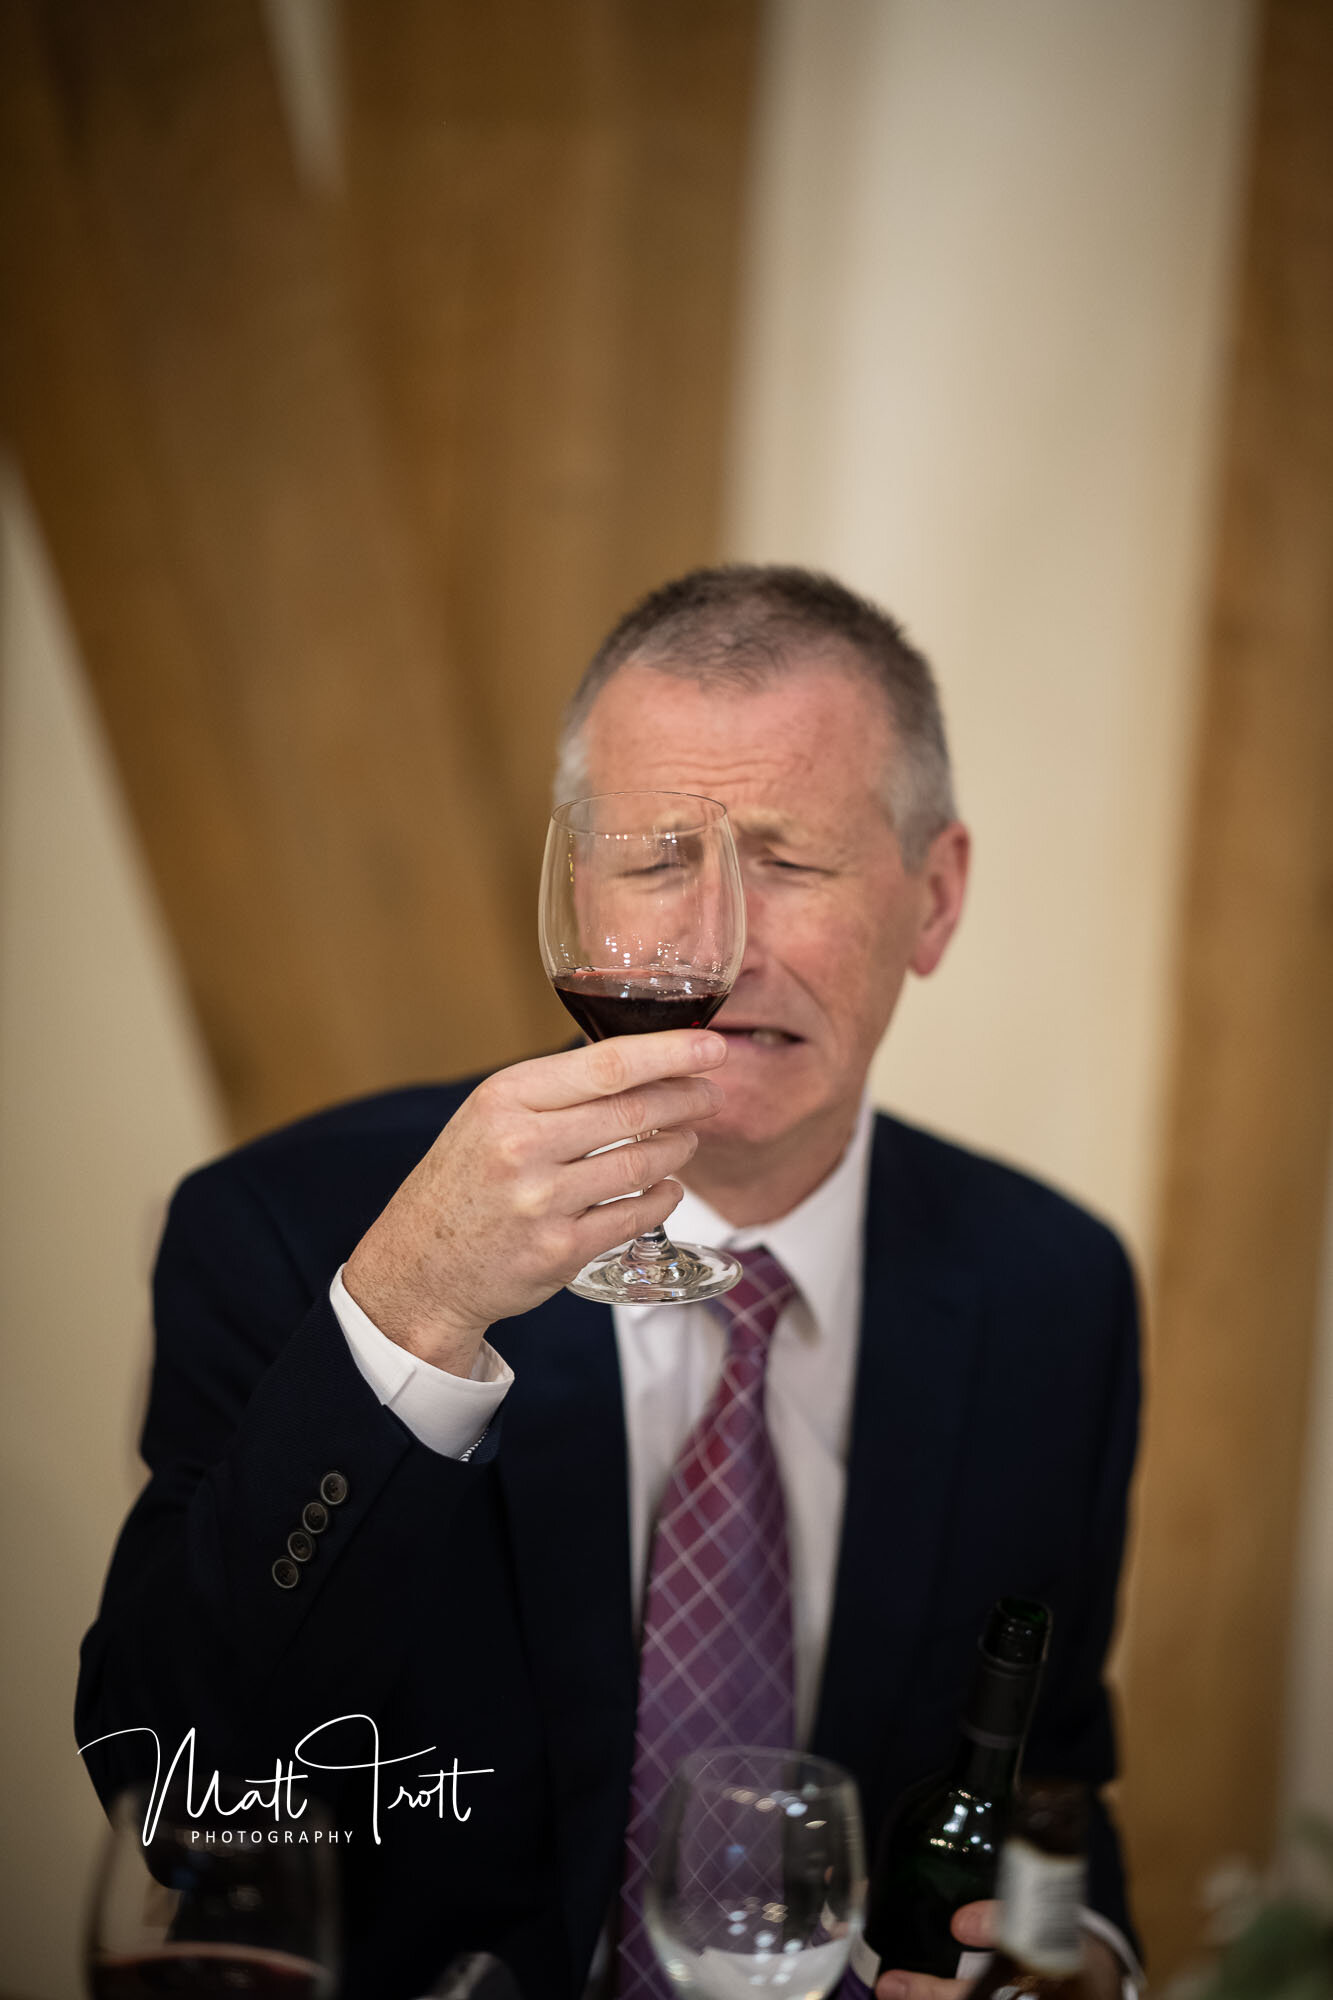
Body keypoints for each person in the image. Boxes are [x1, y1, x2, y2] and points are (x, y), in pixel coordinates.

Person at [77, 567, 1141, 2000]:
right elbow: (179, 1786)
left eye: (789, 862)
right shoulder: (283, 1228)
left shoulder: (1052, 1292)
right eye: (654, 861)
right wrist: (413, 1312)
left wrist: (1066, 1958)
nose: (719, 945)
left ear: (932, 899)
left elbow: (1043, 1775)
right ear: (579, 888)